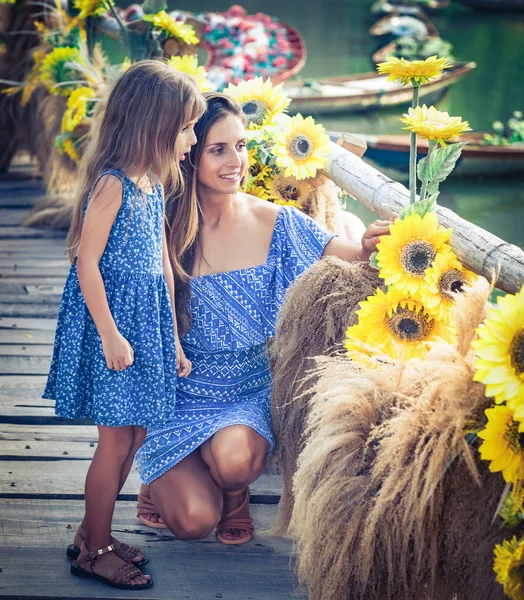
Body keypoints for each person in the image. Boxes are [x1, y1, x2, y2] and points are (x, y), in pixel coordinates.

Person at [134, 92, 394, 545]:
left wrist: (371, 247)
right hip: (176, 392)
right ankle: (165, 476)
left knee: (236, 462)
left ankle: (234, 490)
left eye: (241, 146)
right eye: (218, 150)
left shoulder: (277, 222)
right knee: (194, 523)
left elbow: (345, 256)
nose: (236, 161)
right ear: (188, 154)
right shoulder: (162, 224)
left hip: (244, 393)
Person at [42, 60, 206, 589]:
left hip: (147, 324)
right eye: (185, 128)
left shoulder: (153, 184)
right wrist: (111, 334)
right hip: (114, 326)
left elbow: (160, 261)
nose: (193, 138)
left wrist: (173, 339)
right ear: (152, 127)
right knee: (114, 441)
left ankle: (94, 533)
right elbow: (86, 262)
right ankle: (95, 551)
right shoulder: (113, 185)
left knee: (134, 435)